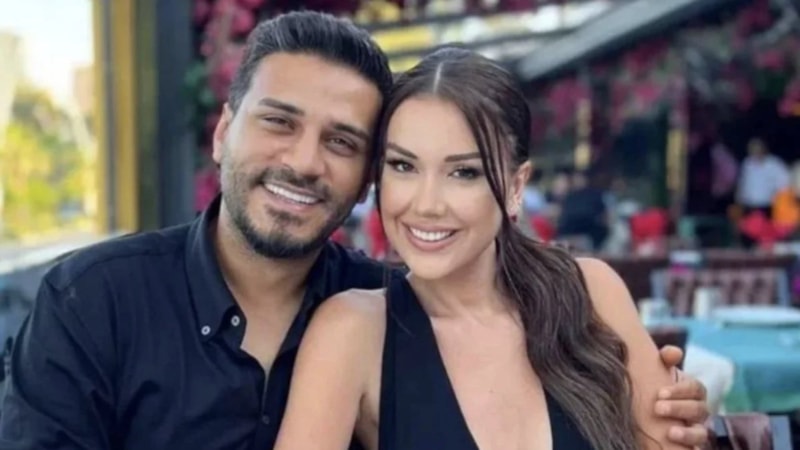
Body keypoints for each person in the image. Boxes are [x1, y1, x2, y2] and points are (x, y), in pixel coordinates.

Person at [0, 12, 709, 450]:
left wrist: (680, 416)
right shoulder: (94, 300)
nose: (305, 161)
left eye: (342, 141)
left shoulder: (400, 305)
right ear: (222, 132)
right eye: (279, 122)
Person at [273, 48, 707, 450]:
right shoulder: (353, 332)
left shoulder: (592, 294)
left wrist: (691, 427)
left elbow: (672, 438)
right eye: (403, 166)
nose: (426, 204)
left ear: (516, 187)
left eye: (464, 173)